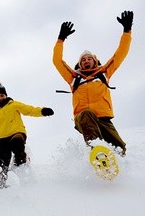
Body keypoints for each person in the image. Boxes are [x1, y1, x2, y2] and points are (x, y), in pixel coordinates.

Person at [52, 10, 133, 155]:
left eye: (89, 58)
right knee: (87, 114)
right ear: (80, 64)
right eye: (83, 59)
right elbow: (57, 61)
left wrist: (127, 31)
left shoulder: (103, 73)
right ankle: (97, 152)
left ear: (94, 61)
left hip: (103, 119)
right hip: (83, 118)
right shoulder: (74, 77)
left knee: (120, 148)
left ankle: (113, 170)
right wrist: (60, 39)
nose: (86, 60)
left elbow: (120, 53)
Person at [0, 82, 54, 188]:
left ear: (5, 95)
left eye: (2, 95)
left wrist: (42, 111)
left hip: (16, 133)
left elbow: (30, 110)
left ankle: (22, 164)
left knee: (17, 143)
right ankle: (1, 184)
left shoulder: (14, 104)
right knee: (2, 162)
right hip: (1, 139)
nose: (0, 98)